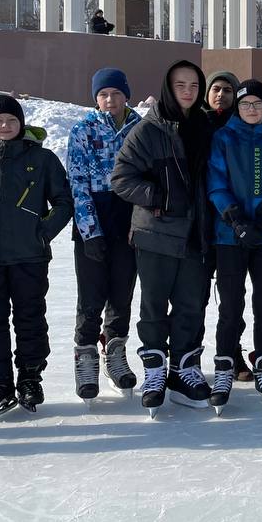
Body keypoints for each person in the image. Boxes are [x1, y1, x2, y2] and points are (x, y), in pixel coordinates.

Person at [111, 60, 215, 413]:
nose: (187, 91)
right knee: (154, 307)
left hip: (196, 233)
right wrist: (159, 197)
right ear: (168, 88)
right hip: (156, 234)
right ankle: (155, 370)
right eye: (179, 85)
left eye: (193, 85)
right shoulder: (148, 130)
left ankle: (183, 371)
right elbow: (121, 178)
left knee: (190, 306)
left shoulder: (207, 127)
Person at [0, 96, 72, 418]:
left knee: (30, 320)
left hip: (29, 257)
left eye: (11, 120)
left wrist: (43, 232)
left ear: (21, 123)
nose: (5, 126)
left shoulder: (43, 159)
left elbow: (63, 202)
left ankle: (29, 378)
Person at [207, 79, 262, 412]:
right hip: (230, 237)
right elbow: (216, 183)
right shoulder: (223, 137)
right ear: (238, 107)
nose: (251, 110)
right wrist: (236, 220)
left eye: (257, 105)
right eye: (246, 105)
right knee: (230, 305)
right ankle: (223, 369)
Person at [67, 68, 142, 400]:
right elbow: (77, 184)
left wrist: (138, 224)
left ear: (126, 94)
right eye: (102, 95)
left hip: (129, 218)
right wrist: (89, 232)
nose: (109, 100)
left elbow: (149, 179)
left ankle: (115, 352)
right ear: (95, 98)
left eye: (115, 93)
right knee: (91, 295)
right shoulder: (82, 130)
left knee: (122, 292)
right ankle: (85, 356)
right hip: (94, 218)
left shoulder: (141, 128)